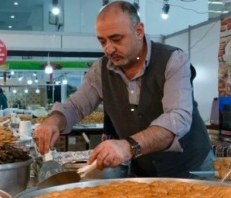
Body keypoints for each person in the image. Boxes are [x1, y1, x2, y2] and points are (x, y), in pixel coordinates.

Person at [34, 1, 212, 178]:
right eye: (102, 41)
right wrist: (54, 121)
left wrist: (128, 146)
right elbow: (76, 106)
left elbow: (177, 118)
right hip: (144, 172)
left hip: (191, 169)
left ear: (139, 31)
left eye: (116, 39)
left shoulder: (173, 60)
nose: (108, 49)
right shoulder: (100, 69)